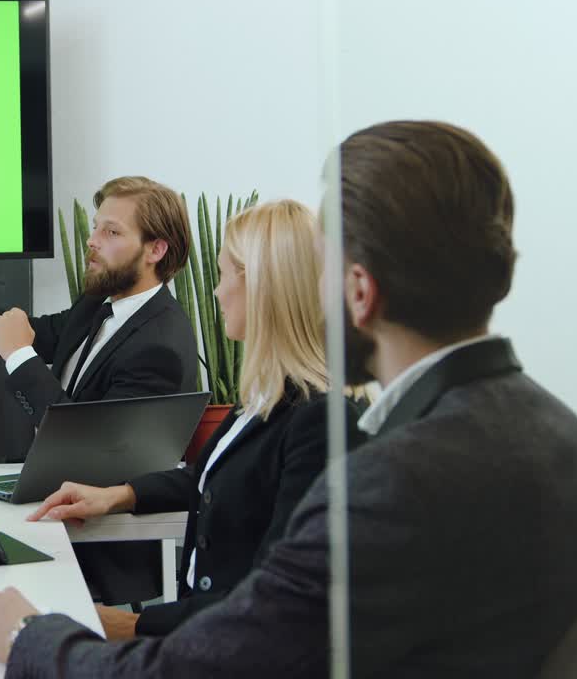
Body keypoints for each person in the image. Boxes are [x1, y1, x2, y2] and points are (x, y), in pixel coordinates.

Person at [0, 120, 577, 678]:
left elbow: (219, 661)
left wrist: (30, 635)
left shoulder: (392, 478)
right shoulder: (554, 429)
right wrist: (124, 495)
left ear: (358, 291)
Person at [26, 199, 365, 640]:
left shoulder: (319, 420)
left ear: (262, 286)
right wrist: (118, 495)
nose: (216, 292)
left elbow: (279, 597)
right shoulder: (266, 398)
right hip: (201, 636)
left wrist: (132, 624)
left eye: (225, 275)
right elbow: (214, 479)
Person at [0, 176, 198, 427]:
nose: (91, 240)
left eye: (111, 232)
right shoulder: (100, 302)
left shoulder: (159, 347)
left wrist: (19, 355)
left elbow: (90, 445)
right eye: (96, 227)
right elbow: (19, 331)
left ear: (156, 250)